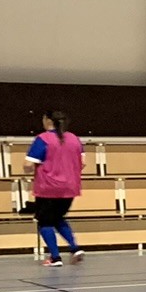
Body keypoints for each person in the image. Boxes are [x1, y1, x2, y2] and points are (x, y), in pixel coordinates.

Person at [25, 110, 84, 267]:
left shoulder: (43, 139)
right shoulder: (75, 139)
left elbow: (28, 165)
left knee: (44, 222)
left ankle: (55, 257)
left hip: (48, 188)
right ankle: (74, 247)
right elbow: (83, 163)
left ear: (47, 120)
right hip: (70, 187)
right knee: (57, 218)